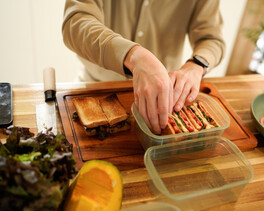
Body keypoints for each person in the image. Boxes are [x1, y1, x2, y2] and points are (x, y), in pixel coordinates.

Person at [62, 0, 225, 134]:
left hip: (166, 95)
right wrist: (133, 56)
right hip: (95, 85)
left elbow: (212, 39)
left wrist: (197, 65)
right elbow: (75, 23)